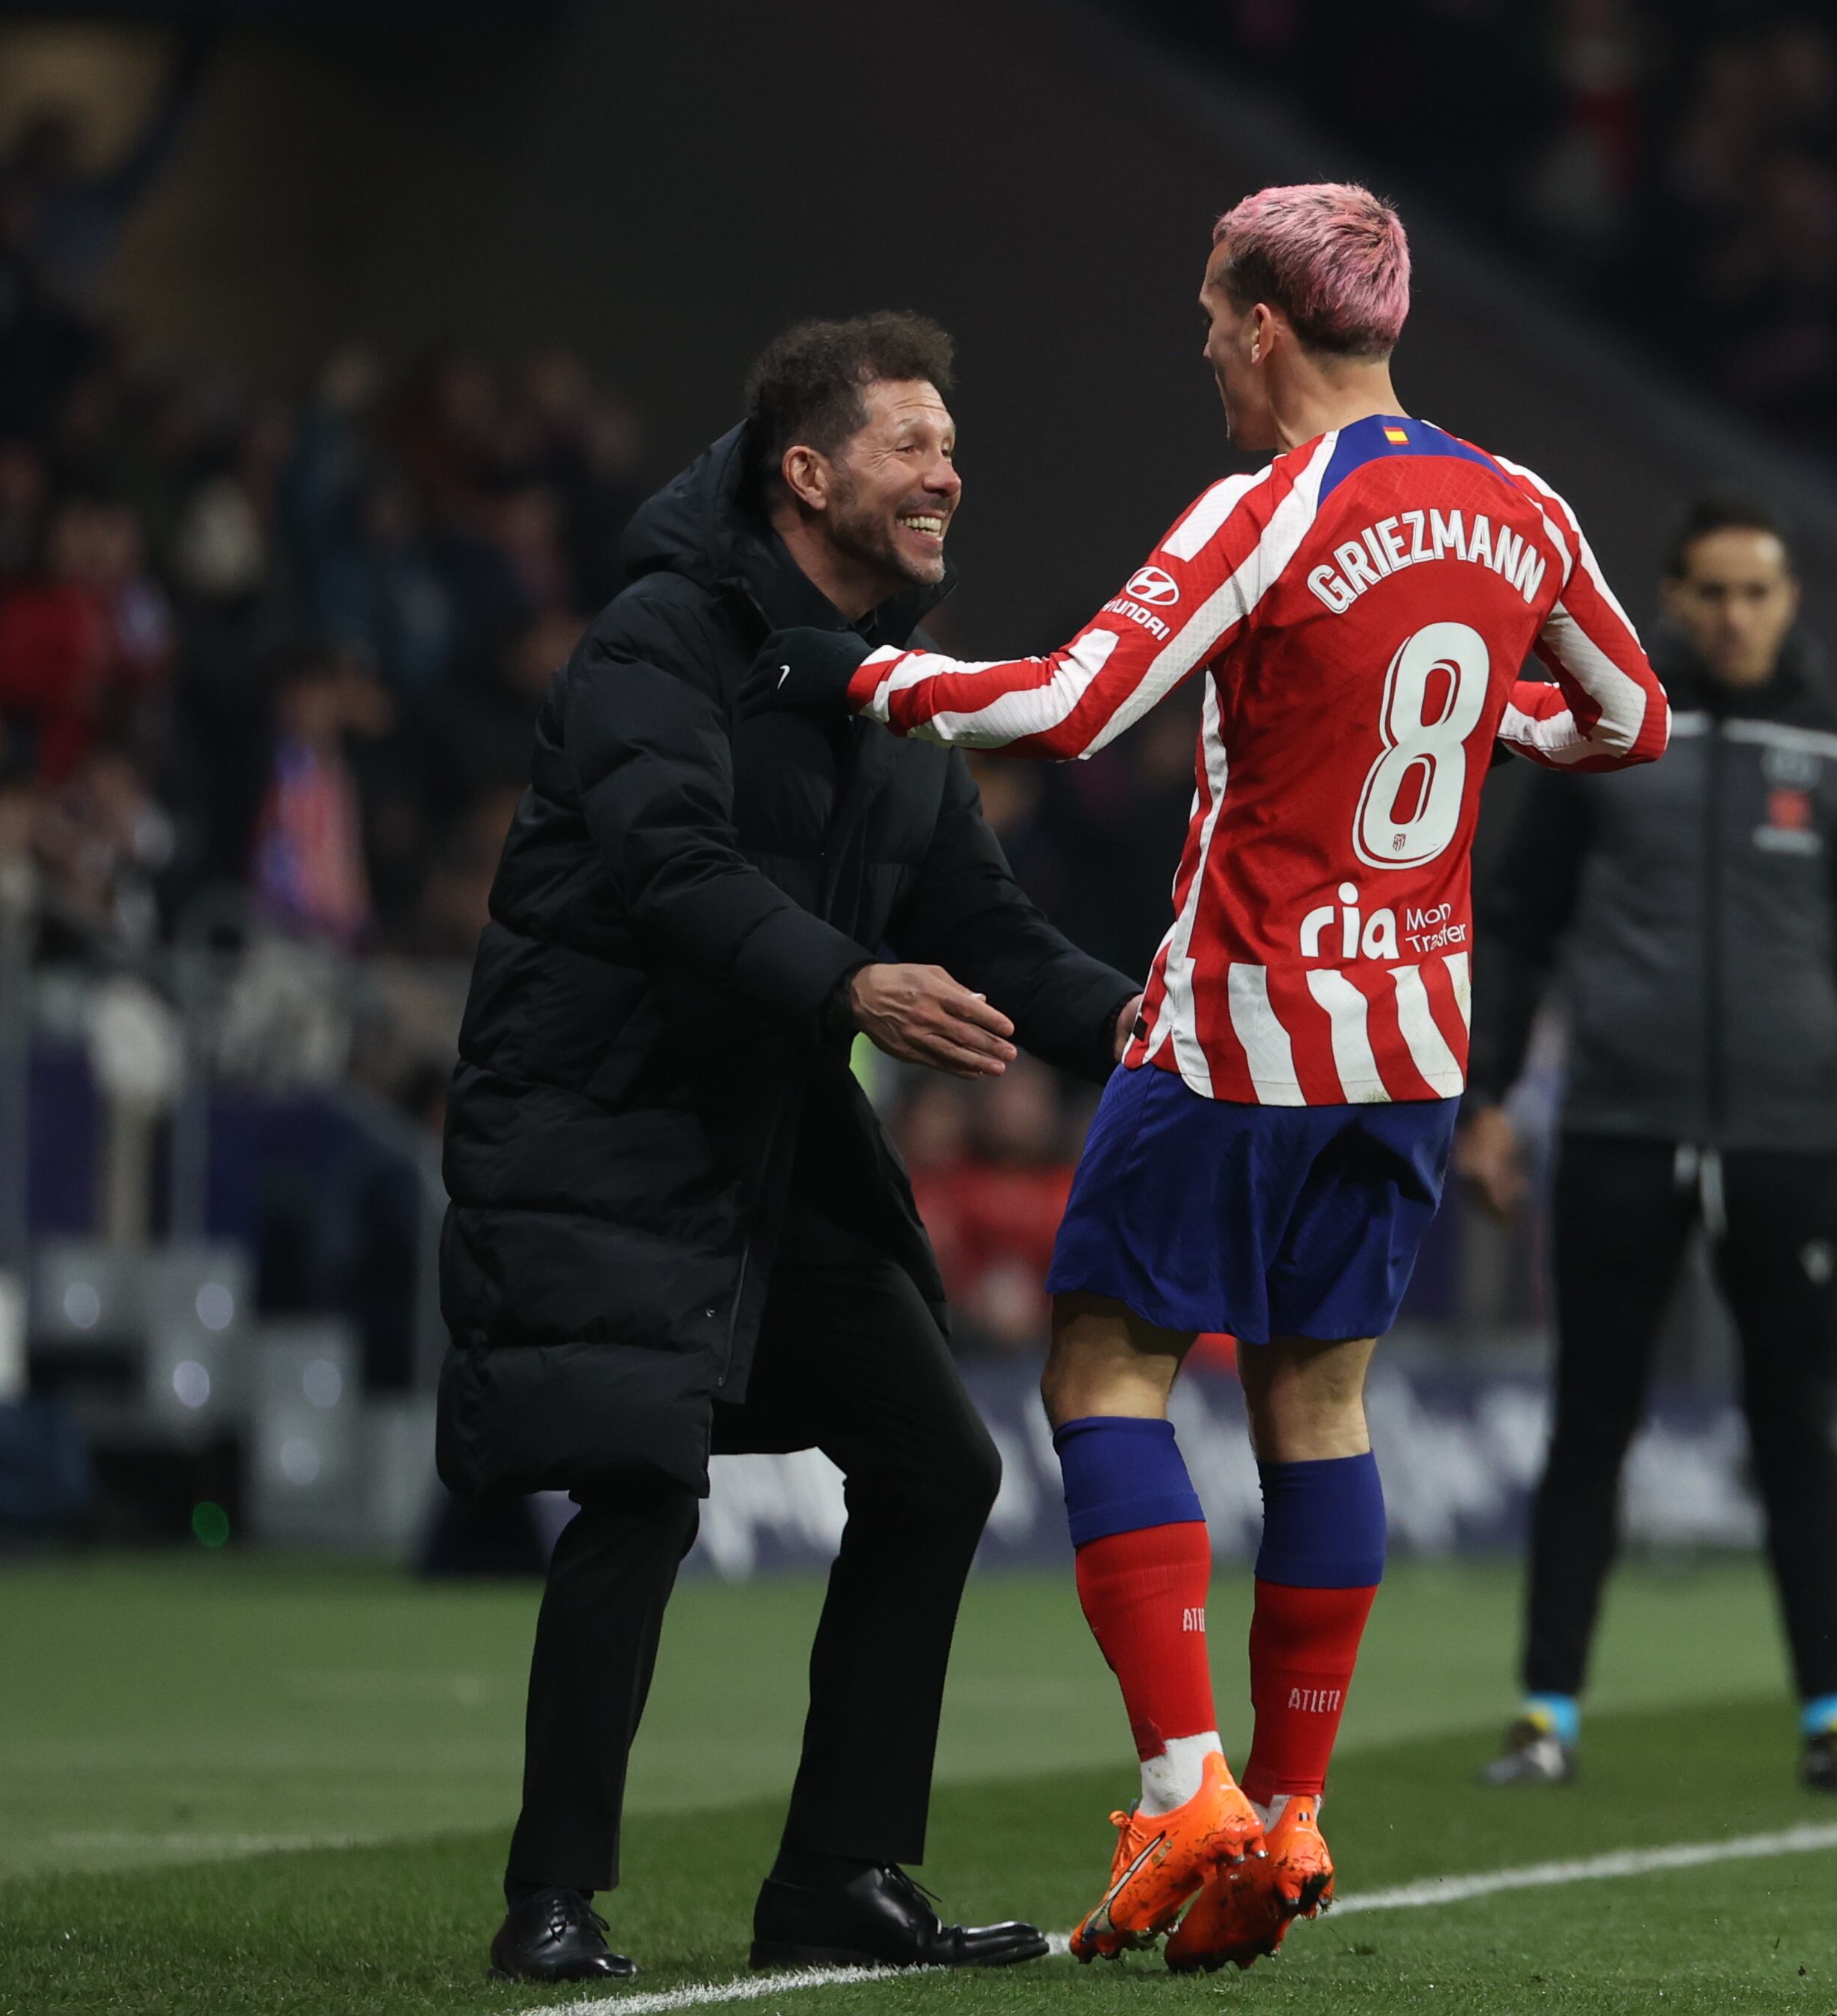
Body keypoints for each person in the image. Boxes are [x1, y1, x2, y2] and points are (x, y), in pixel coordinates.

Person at [756, 182, 1666, 1972]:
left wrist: (864, 680)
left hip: (1243, 1032)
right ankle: (1293, 1812)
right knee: (1319, 1403)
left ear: (1264, 325)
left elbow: (1070, 706)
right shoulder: (1520, 505)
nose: (1203, 354)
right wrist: (1484, 718)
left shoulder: (1271, 506)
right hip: (1411, 1042)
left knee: (1105, 1370)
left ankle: (1188, 1792)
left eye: (1206, 321)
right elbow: (1629, 717)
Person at [435, 313, 1137, 1982]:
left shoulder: (898, 695)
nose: (948, 473)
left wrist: (1166, 1027)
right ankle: (551, 1894)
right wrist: (850, 981)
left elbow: (989, 928)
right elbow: (671, 868)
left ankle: (836, 1873)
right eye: (913, 443)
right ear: (806, 473)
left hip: (774, 1133)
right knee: (638, 1481)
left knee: (937, 1463)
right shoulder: (656, 640)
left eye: (951, 445)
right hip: (609, 1117)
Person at [1451, 494, 1837, 1795]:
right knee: (1589, 1420)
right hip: (1618, 1123)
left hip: (1787, 1138)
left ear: (1788, 602)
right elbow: (1518, 924)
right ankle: (1544, 1712)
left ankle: (1831, 1715)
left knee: (1797, 1426)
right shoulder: (1605, 729)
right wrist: (1485, 1095)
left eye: (1756, 591)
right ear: (1669, 597)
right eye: (1711, 591)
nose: (1733, 614)